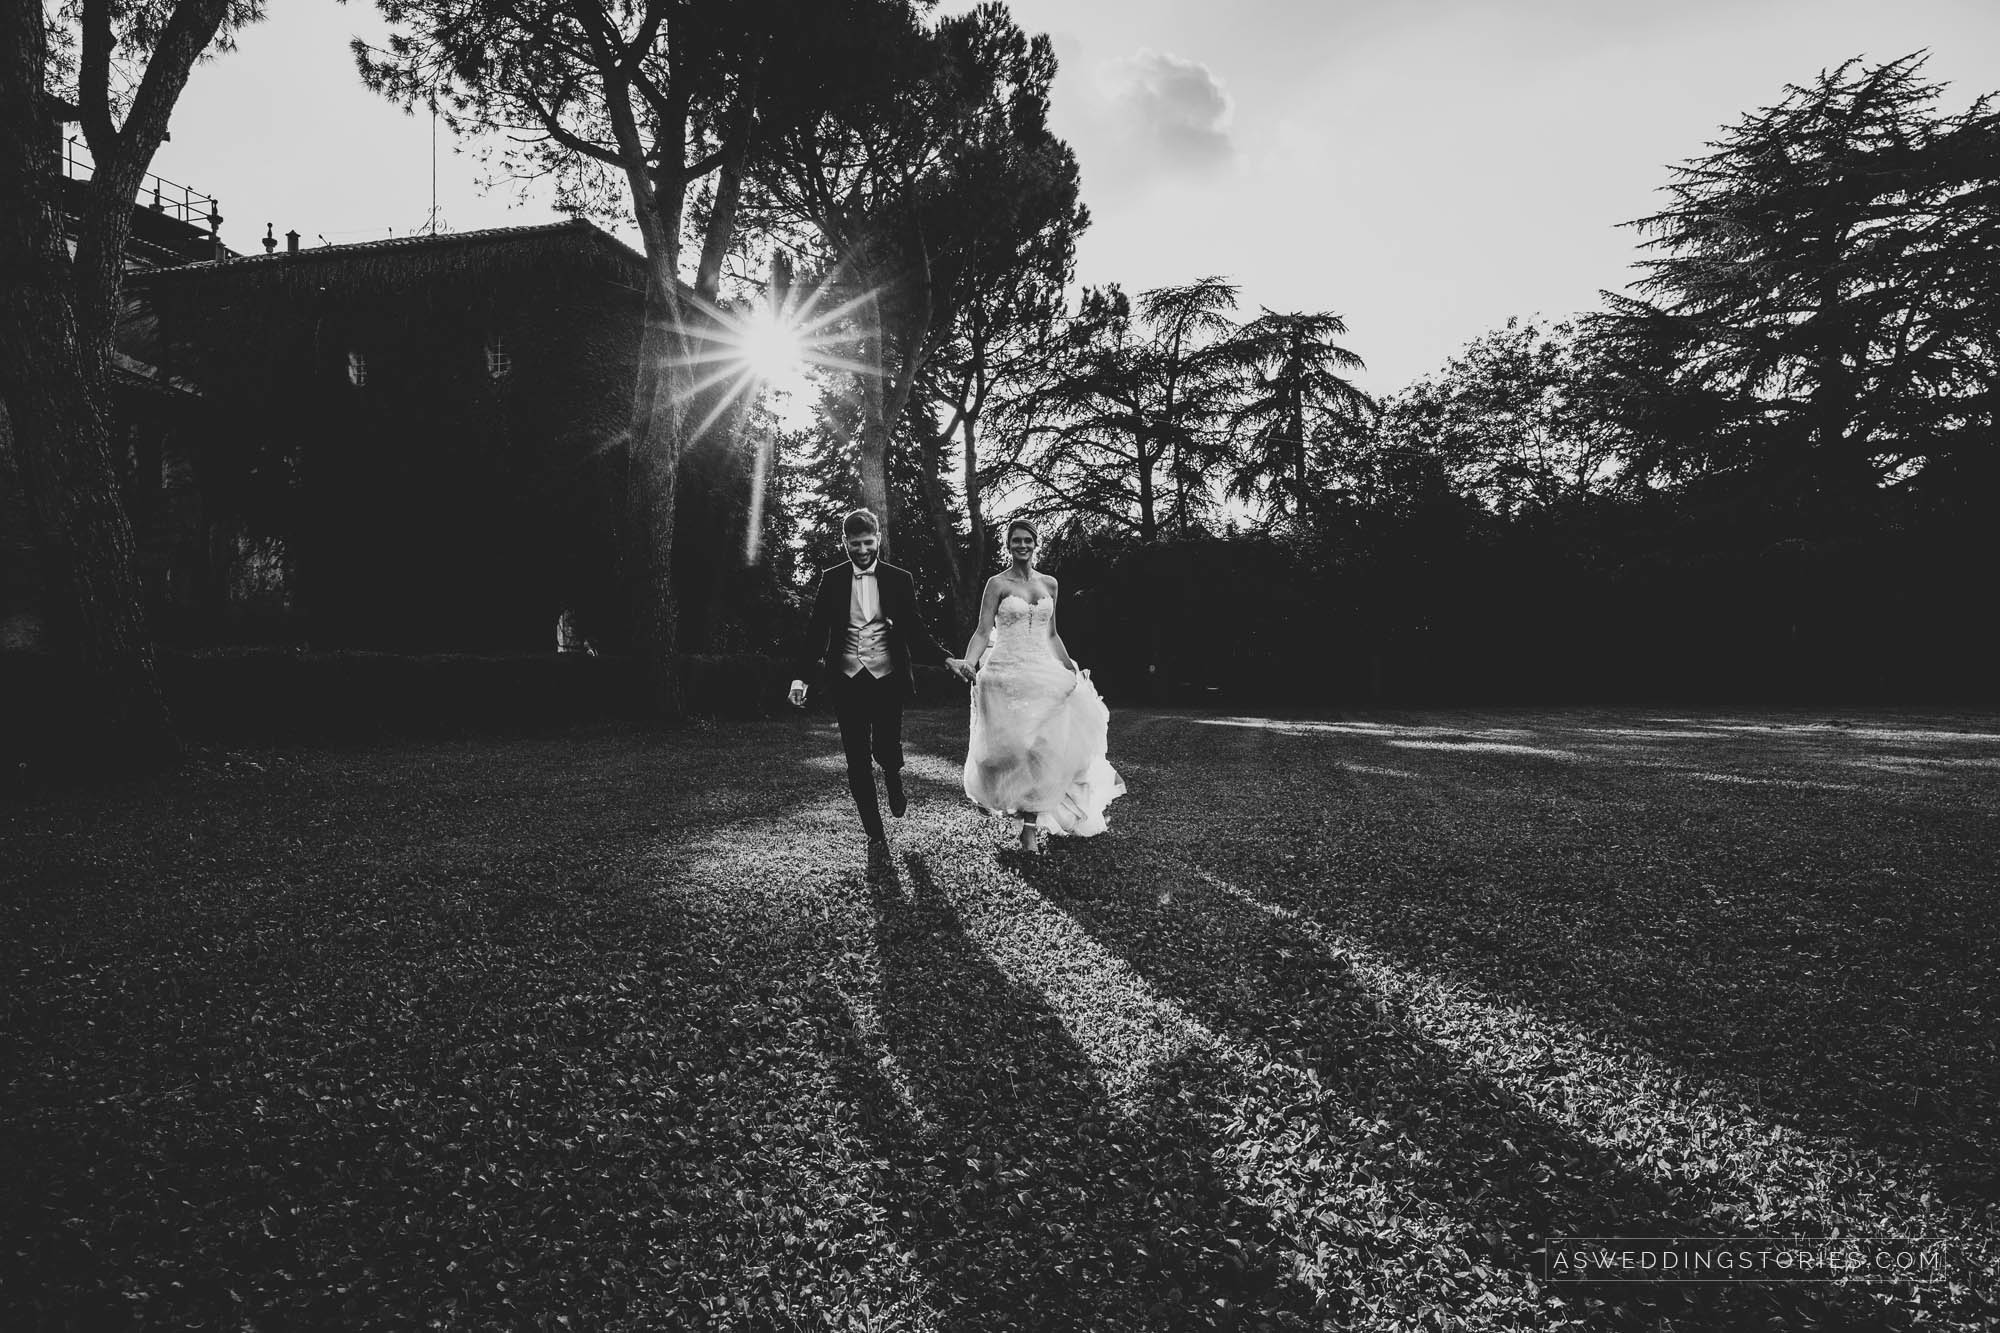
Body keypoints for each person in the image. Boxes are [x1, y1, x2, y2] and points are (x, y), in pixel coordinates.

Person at [789, 509, 975, 851]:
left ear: (879, 539)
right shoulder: (831, 579)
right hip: (846, 679)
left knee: (885, 749)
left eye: (868, 543)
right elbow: (816, 633)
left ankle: (893, 776)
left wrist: (947, 659)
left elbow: (916, 632)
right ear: (844, 542)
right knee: (856, 758)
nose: (862, 550)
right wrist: (800, 678)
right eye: (855, 544)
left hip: (886, 679)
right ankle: (875, 832)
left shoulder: (899, 579)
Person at [961, 519, 1124, 854]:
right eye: (1016, 541)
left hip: (1042, 671)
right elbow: (981, 631)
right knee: (1012, 749)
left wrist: (1069, 667)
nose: (1022, 546)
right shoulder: (997, 583)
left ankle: (1030, 829)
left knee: (1044, 749)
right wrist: (969, 661)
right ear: (1008, 545)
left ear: (1037, 544)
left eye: (1028, 540)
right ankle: (1016, 807)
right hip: (1005, 672)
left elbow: (1052, 634)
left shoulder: (1050, 584)